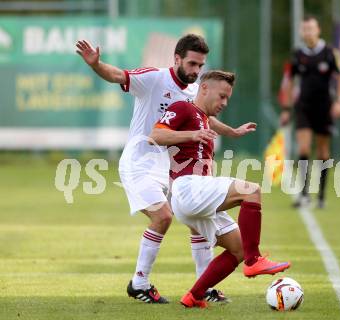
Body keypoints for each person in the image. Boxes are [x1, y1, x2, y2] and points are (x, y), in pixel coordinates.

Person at [76, 34, 256, 304]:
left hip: (169, 167)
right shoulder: (154, 78)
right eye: (192, 64)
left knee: (198, 219)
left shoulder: (194, 92)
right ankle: (139, 282)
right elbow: (118, 76)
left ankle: (203, 286)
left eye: (200, 65)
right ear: (177, 59)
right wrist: (95, 65)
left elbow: (204, 117)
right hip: (140, 161)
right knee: (163, 216)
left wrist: (231, 132)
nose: (196, 71)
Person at [150, 70, 291, 309]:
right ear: (203, 88)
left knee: (237, 249)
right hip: (188, 189)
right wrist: (193, 134)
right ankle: (254, 260)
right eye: (222, 96)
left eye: (228, 98)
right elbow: (155, 135)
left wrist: (234, 132)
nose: (224, 103)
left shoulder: (203, 117)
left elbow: (211, 124)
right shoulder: (184, 108)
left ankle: (194, 295)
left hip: (192, 199)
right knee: (251, 190)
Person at [279, 15, 340, 209]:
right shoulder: (297, 54)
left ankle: (322, 196)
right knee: (303, 149)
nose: (308, 32)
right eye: (305, 29)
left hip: (325, 107)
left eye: (311, 28)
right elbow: (289, 81)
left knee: (323, 151)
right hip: (304, 107)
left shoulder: (330, 53)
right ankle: (304, 194)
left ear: (318, 30)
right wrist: (286, 107)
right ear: (301, 32)